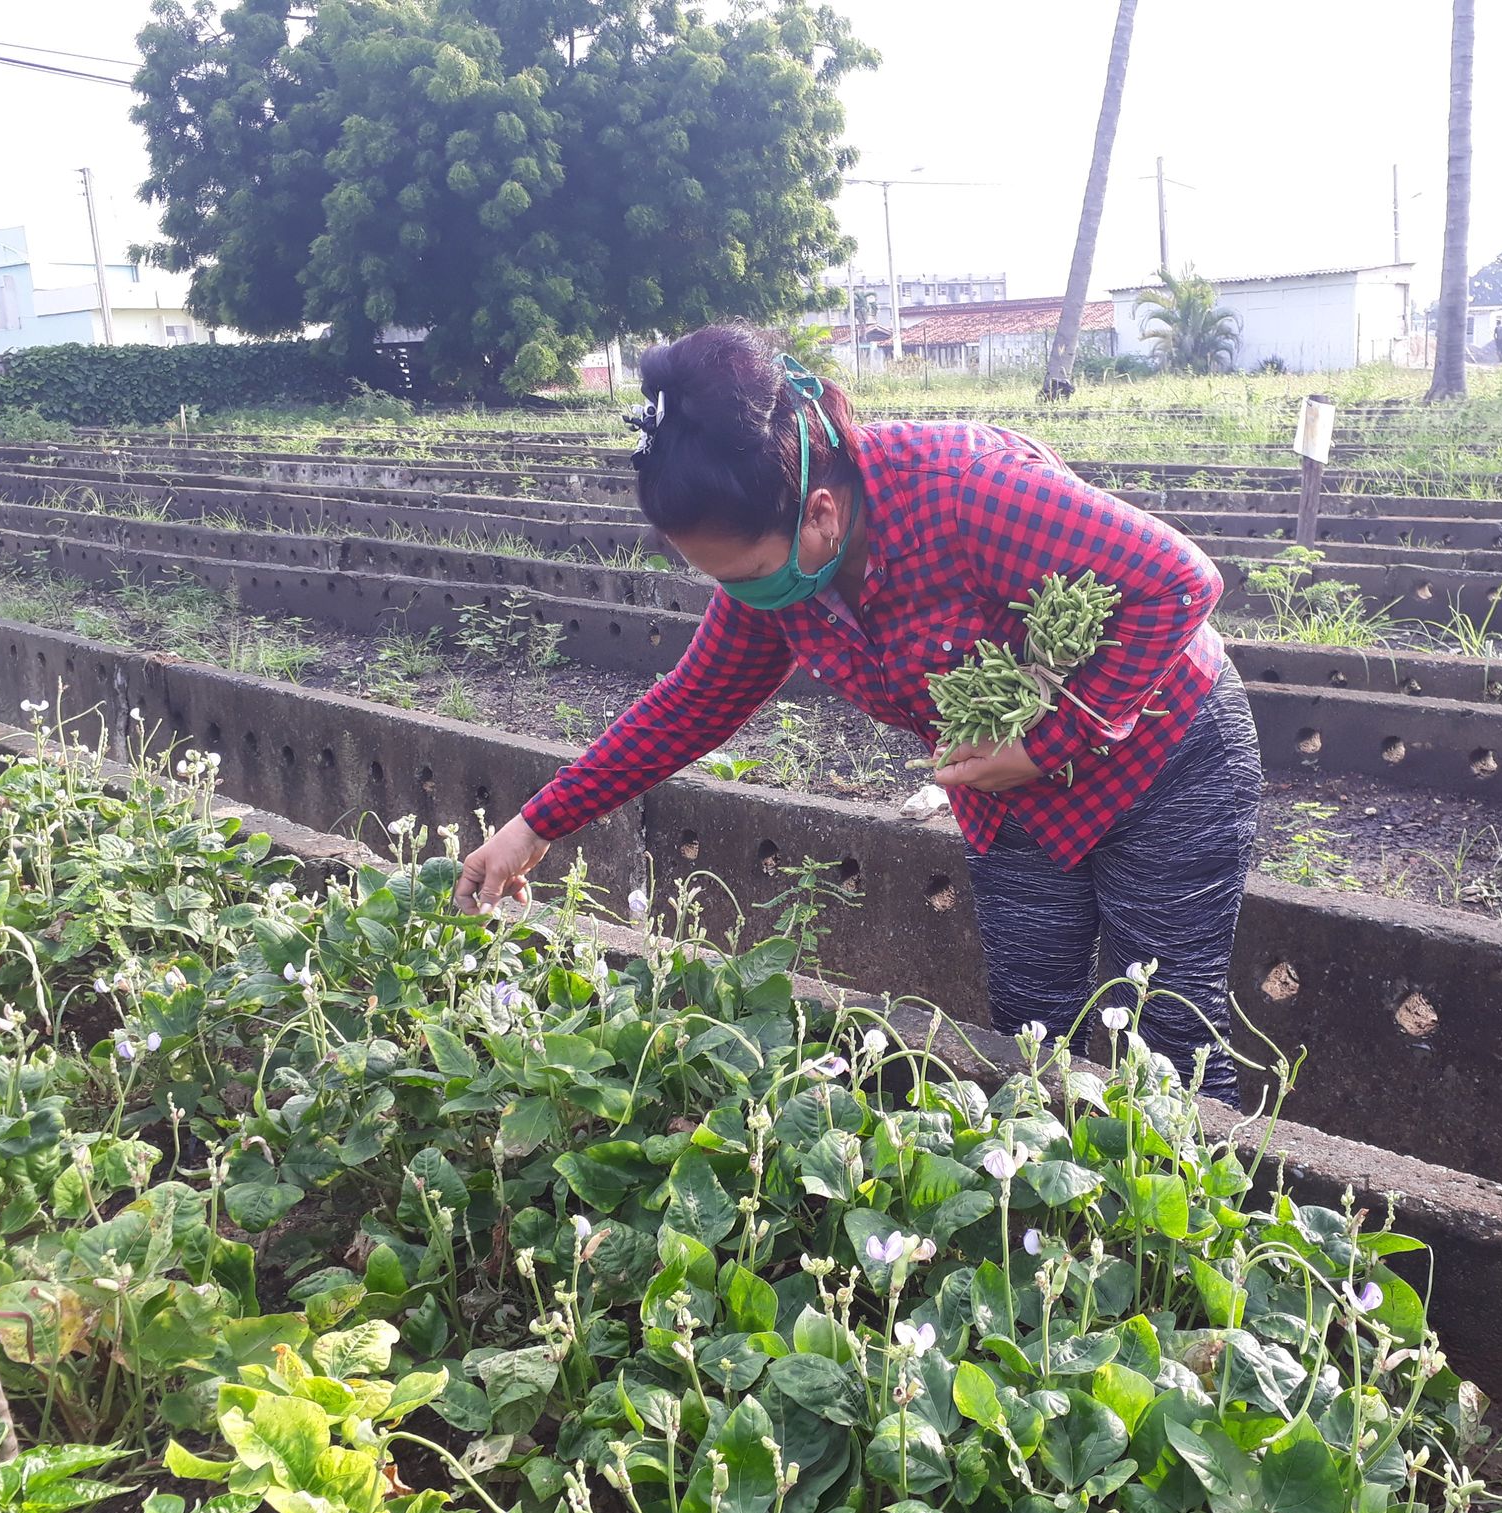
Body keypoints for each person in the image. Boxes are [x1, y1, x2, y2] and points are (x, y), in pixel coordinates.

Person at [454, 325, 1262, 1103]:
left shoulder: (966, 492)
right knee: (1031, 1046)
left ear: (821, 515)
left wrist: (1049, 741)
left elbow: (1181, 582)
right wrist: (536, 826)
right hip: (1009, 796)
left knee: (1166, 1056)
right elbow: (693, 703)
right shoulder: (782, 582)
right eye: (723, 579)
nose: (743, 597)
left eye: (752, 572)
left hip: (1164, 757)